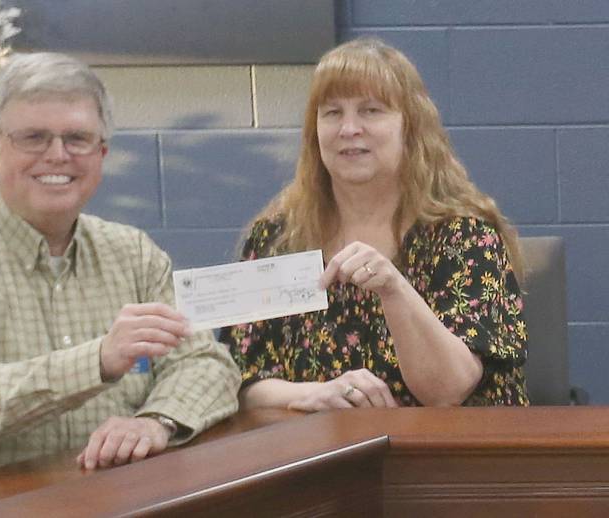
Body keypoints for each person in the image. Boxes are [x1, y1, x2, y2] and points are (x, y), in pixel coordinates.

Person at [0, 52, 240, 503]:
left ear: (101, 155)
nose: (58, 155)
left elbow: (206, 363)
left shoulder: (133, 253)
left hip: (88, 499)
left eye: (77, 138)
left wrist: (157, 421)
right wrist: (97, 361)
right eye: (33, 137)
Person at [220, 38, 528, 412]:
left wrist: (394, 289)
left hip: (442, 458)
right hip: (312, 455)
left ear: (411, 128)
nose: (349, 129)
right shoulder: (276, 239)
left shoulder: (465, 238)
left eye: (371, 110)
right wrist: (312, 394)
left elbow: (447, 391)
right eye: (332, 113)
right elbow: (239, 377)